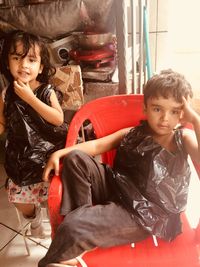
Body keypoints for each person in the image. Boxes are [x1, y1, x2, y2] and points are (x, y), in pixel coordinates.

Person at [38, 69, 200, 267]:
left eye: (174, 111)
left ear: (183, 113)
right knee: (75, 158)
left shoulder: (183, 138)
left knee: (73, 227)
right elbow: (97, 146)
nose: (165, 118)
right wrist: (59, 153)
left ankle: (76, 235)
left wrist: (195, 120)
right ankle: (85, 227)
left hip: (146, 215)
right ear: (145, 108)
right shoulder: (133, 132)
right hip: (118, 188)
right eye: (157, 109)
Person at [0, 30, 67, 238]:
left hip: (49, 156)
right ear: (7, 63)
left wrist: (30, 98)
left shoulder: (46, 90)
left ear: (40, 68)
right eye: (17, 58)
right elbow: (2, 123)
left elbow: (58, 119)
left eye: (31, 59)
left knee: (53, 197)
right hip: (22, 157)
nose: (24, 65)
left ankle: (51, 215)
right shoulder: (6, 94)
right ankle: (35, 217)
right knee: (16, 197)